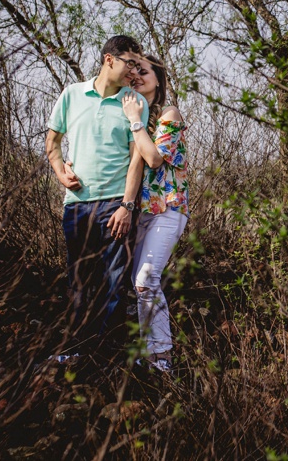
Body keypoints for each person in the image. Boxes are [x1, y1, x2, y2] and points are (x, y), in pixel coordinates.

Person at [45, 35, 150, 361]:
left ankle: (106, 359)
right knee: (79, 281)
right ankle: (75, 353)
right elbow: (53, 143)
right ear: (109, 60)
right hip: (77, 205)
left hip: (115, 204)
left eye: (137, 64)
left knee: (114, 284)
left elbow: (137, 160)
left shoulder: (135, 104)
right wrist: (61, 172)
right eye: (130, 63)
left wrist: (126, 206)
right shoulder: (72, 95)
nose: (134, 70)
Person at [121, 54, 189, 372]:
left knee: (147, 279)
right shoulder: (140, 121)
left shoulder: (168, 115)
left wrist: (135, 120)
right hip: (142, 214)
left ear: (158, 79)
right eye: (133, 73)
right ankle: (149, 352)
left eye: (144, 72)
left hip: (169, 209)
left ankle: (162, 355)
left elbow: (154, 160)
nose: (137, 77)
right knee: (138, 283)